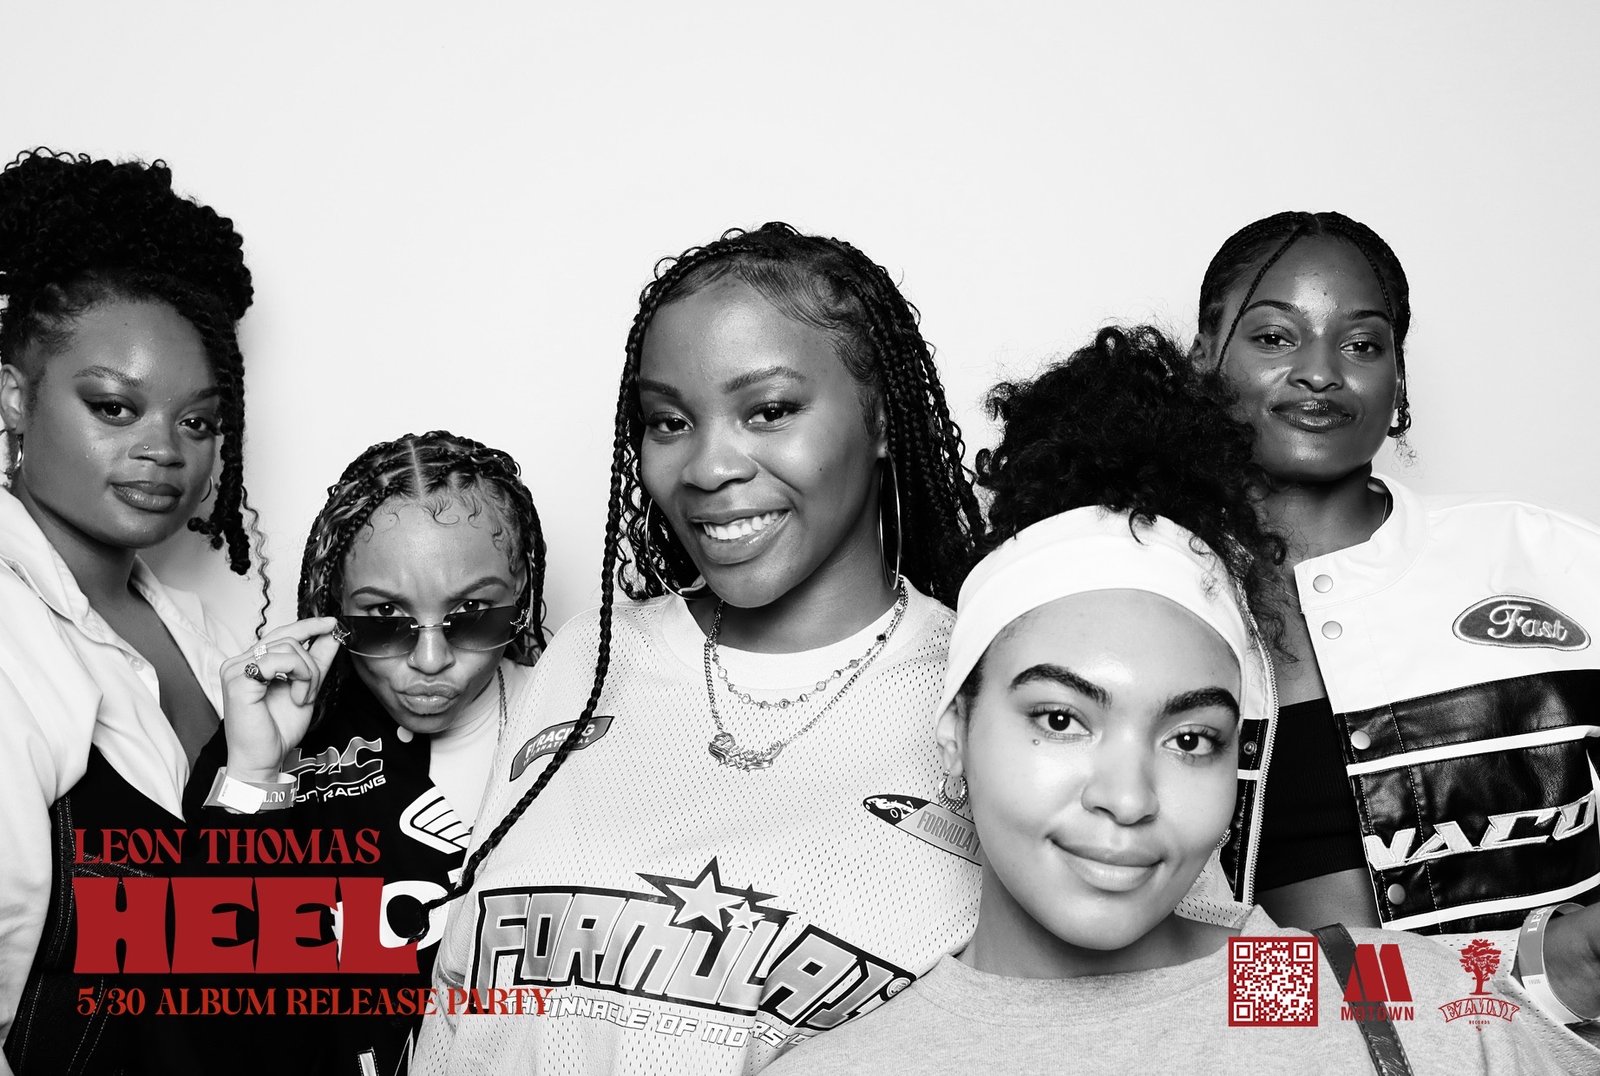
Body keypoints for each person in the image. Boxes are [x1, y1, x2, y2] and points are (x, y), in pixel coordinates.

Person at [765, 326, 1600, 1076]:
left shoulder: (1344, 990)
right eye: (1061, 720)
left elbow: (1483, 994)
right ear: (954, 735)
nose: (1127, 799)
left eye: (1191, 737)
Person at [412, 223, 986, 1075]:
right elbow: (463, 989)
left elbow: (1208, 951)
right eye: (670, 421)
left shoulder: (996, 684)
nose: (709, 466)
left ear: (879, 420)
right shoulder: (590, 655)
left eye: (770, 411)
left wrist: (1269, 1020)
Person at [1193, 212, 1600, 1024]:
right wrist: (1509, 980)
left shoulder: (1544, 557)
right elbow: (1153, 968)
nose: (1319, 373)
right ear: (1206, 361)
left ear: (1398, 376)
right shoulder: (1146, 602)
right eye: (1274, 338)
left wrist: (1568, 977)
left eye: (1362, 343)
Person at [0, 149, 261, 1074]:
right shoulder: (9, 644)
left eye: (197, 422)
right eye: (115, 407)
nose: (163, 451)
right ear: (13, 399)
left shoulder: (214, 636)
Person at [180, 430, 547, 1075]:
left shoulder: (583, 734)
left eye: (474, 611)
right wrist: (256, 774)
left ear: (523, 591)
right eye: (383, 618)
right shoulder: (276, 742)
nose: (430, 660)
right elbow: (212, 993)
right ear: (334, 611)